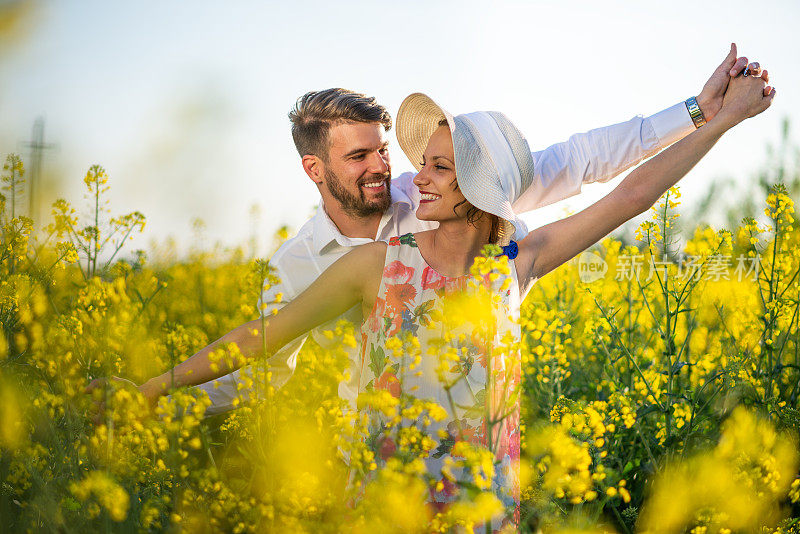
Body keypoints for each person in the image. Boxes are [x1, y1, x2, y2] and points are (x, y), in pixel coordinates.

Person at [106, 60, 774, 527]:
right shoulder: (372, 265)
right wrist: (153, 389)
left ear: (478, 191)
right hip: (385, 506)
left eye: (437, 166)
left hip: (485, 510)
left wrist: (713, 119)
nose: (408, 176)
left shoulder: (517, 262)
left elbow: (623, 188)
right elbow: (260, 340)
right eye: (419, 163)